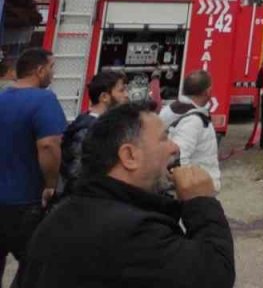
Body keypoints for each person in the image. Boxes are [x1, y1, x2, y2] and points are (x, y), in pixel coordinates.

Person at [18, 103, 234, 288]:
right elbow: (215, 275)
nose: (174, 147)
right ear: (129, 156)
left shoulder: (65, 211)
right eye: (163, 138)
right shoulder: (133, 232)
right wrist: (201, 203)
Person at [0, 47, 65, 282]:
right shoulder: (44, 99)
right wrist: (51, 184)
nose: (53, 74)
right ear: (40, 70)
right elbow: (49, 144)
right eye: (51, 68)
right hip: (25, 202)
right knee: (36, 270)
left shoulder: (2, 96)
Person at [62, 68, 129, 190]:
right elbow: (77, 172)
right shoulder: (88, 130)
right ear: (104, 97)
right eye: (121, 91)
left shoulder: (101, 125)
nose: (126, 95)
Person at [160, 69, 222, 193]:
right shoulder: (193, 121)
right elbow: (178, 159)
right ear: (208, 92)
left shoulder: (169, 111)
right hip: (197, 190)